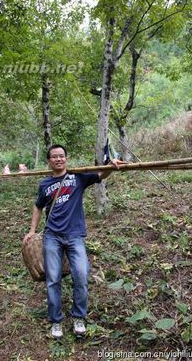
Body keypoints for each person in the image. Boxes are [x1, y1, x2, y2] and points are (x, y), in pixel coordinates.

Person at [23, 144, 122, 339]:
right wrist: (32, 231)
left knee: (81, 276)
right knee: (53, 280)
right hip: (52, 236)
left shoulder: (78, 177)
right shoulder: (45, 184)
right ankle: (56, 321)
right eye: (54, 157)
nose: (58, 159)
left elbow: (100, 176)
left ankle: (79, 317)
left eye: (61, 156)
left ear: (66, 158)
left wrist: (111, 165)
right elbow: (37, 207)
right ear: (49, 161)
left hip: (75, 236)